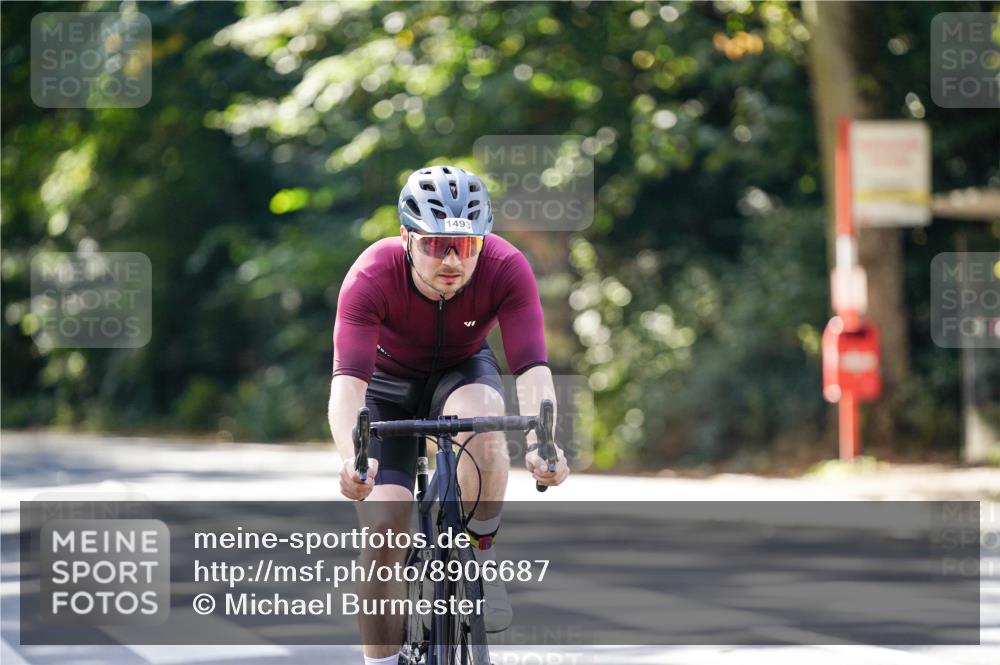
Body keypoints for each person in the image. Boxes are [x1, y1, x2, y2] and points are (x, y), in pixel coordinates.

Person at [328, 165, 570, 665]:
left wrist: (544, 445)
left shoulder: (506, 267)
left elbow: (532, 369)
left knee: (485, 420)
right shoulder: (372, 274)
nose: (453, 261)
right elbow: (348, 383)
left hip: (460, 374)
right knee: (384, 530)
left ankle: (480, 552)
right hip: (386, 392)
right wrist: (353, 458)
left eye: (466, 246)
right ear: (406, 239)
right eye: (437, 245)